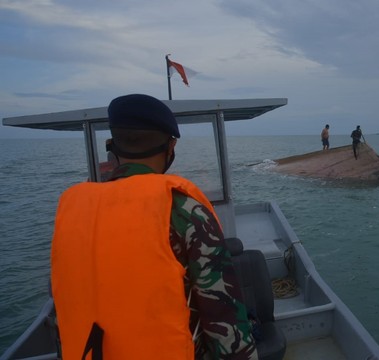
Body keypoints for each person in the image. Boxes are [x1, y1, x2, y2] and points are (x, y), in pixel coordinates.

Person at [50, 94, 257, 360]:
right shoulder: (185, 212)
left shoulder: (71, 214)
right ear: (171, 147)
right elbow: (225, 324)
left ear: (112, 145)